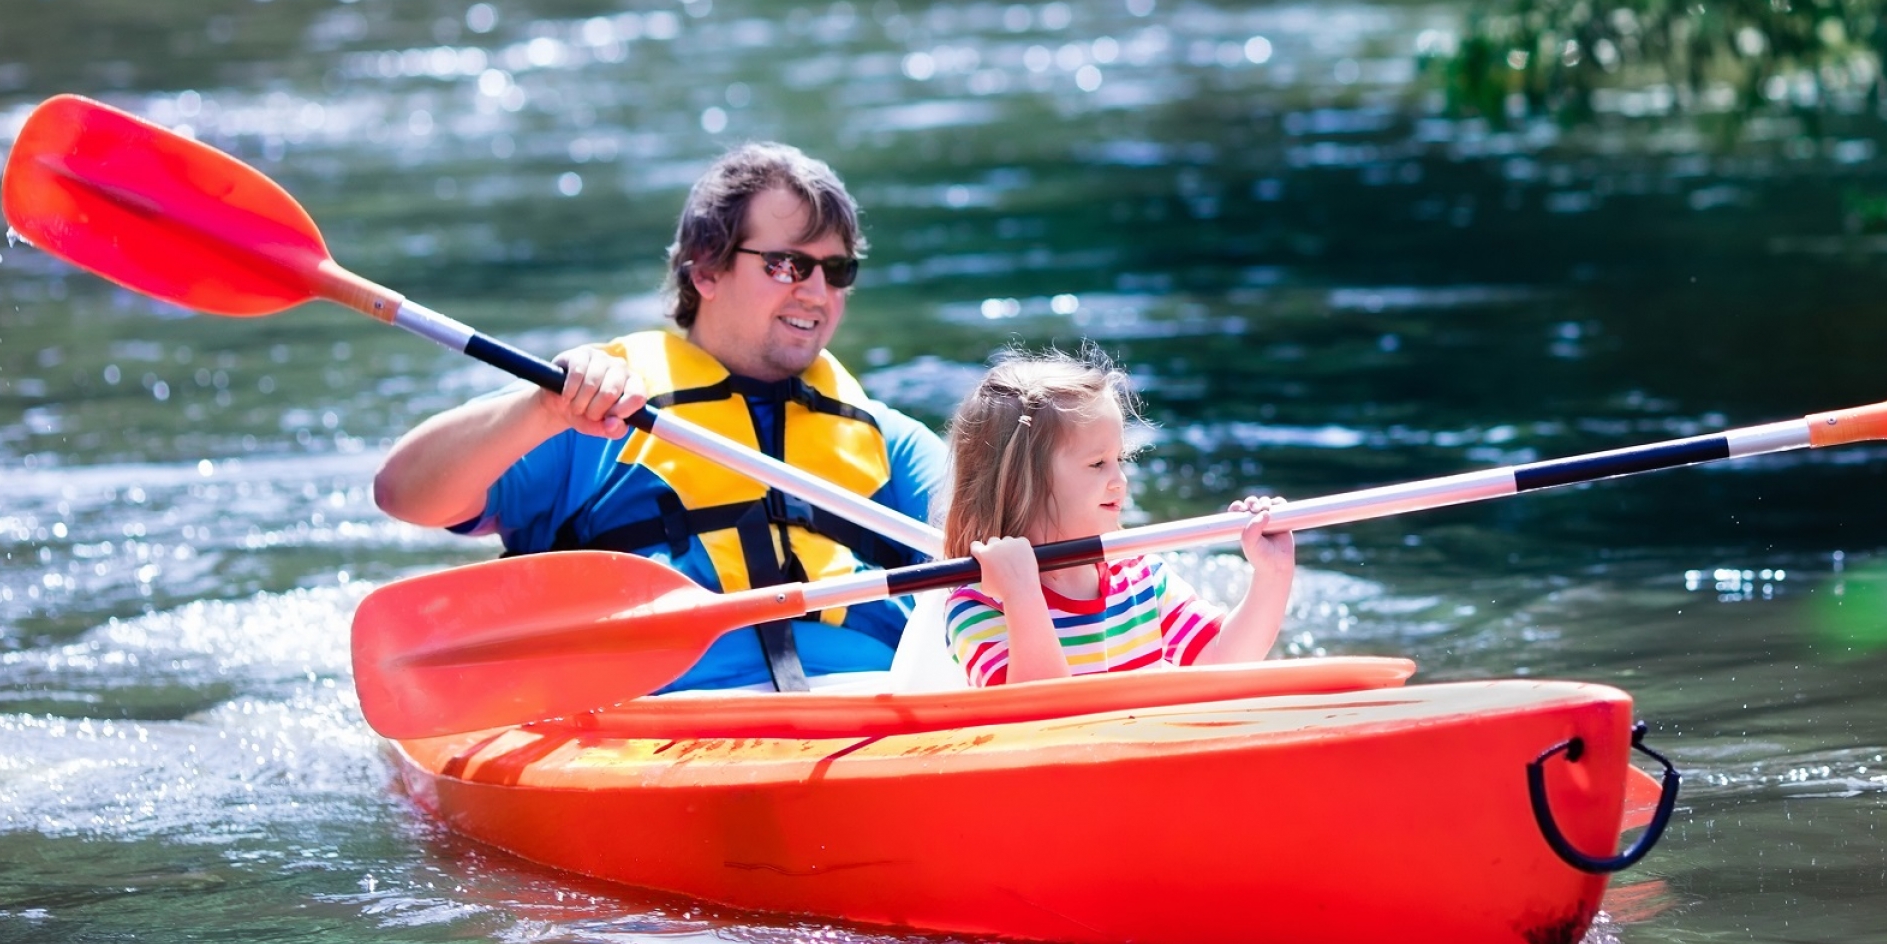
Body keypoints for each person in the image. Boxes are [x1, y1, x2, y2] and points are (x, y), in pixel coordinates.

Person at [373, 143, 946, 692]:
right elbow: (404, 494)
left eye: (837, 270)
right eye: (787, 265)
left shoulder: (888, 442)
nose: (818, 293)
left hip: (871, 700)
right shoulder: (590, 412)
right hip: (656, 710)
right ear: (706, 272)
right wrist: (541, 409)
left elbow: (991, 538)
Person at [940, 347, 1295, 687]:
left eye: (1119, 460)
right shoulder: (977, 605)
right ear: (1021, 482)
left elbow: (1223, 662)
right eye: (1098, 463)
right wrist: (1022, 594)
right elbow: (1041, 715)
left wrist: (1273, 573)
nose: (1120, 480)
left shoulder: (1140, 575)